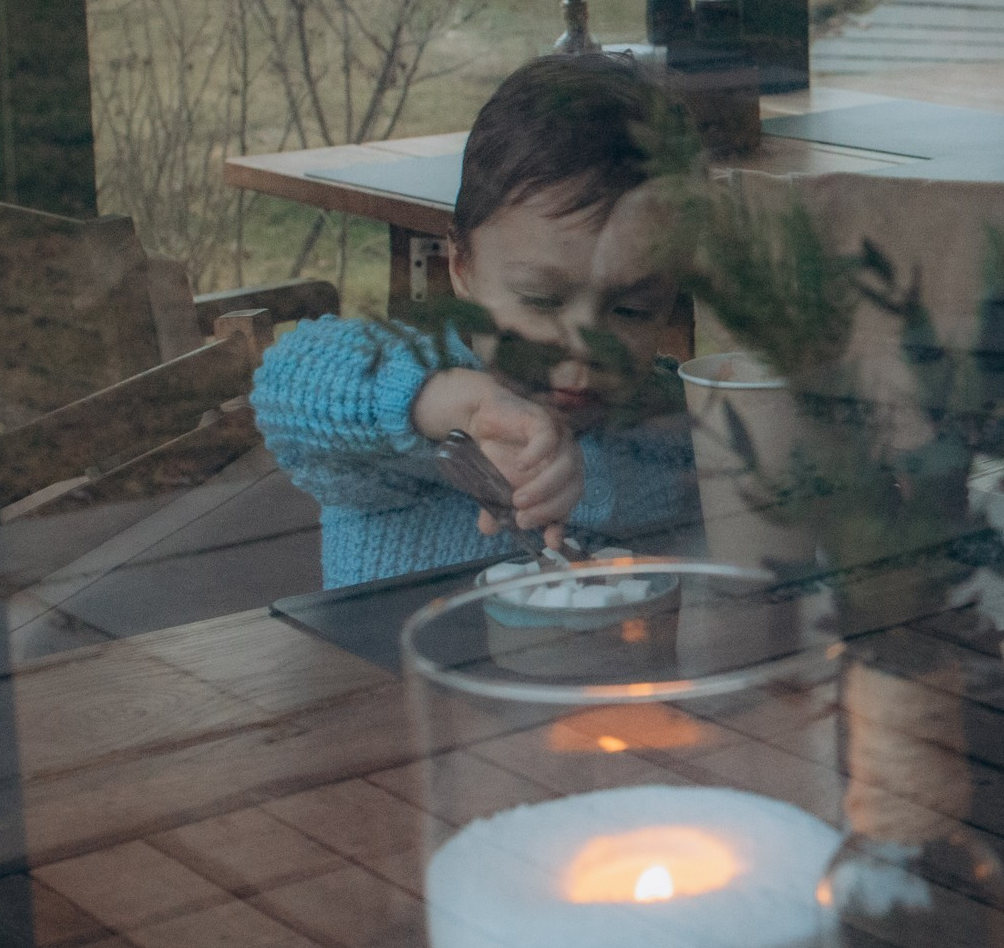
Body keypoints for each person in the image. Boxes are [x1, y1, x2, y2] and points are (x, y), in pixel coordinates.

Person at [253, 53, 700, 588]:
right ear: (461, 266)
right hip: (400, 667)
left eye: (632, 310)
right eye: (540, 299)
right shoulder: (407, 420)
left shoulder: (671, 424)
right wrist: (462, 404)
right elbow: (287, 379)